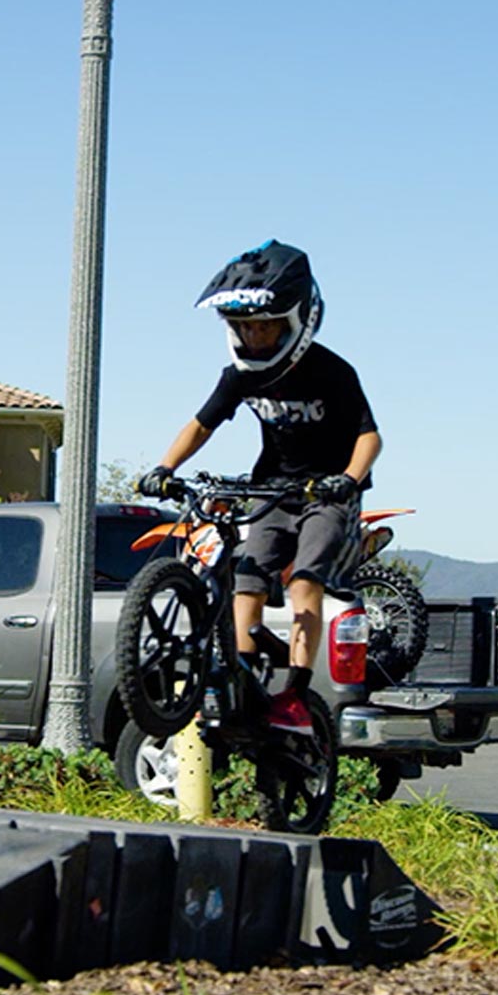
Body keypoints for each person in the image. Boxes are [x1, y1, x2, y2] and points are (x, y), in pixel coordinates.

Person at [138, 240, 383, 734]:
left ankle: (295, 690)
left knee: (303, 582)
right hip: (272, 488)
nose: (254, 336)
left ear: (295, 320)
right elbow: (201, 425)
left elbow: (369, 437)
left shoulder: (332, 371)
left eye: (264, 325)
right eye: (243, 327)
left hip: (326, 494)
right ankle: (243, 672)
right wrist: (163, 467)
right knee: (246, 576)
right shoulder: (241, 376)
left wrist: (348, 480)